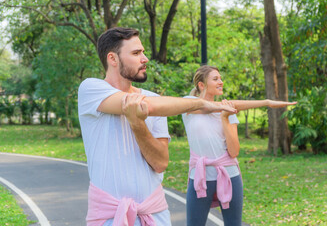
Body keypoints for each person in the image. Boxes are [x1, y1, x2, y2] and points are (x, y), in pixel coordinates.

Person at [77, 27, 236, 226]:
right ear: (113, 59)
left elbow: (160, 162)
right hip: (109, 216)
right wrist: (201, 103)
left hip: (155, 215)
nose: (145, 59)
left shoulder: (156, 100)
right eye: (136, 53)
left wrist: (137, 124)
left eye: (143, 52)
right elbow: (145, 106)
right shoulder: (91, 89)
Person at [182, 65, 297, 226]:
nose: (221, 82)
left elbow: (234, 151)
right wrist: (265, 102)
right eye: (215, 79)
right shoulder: (188, 105)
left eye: (221, 78)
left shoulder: (228, 112)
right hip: (200, 178)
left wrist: (225, 118)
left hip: (229, 175)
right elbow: (204, 107)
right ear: (201, 85)